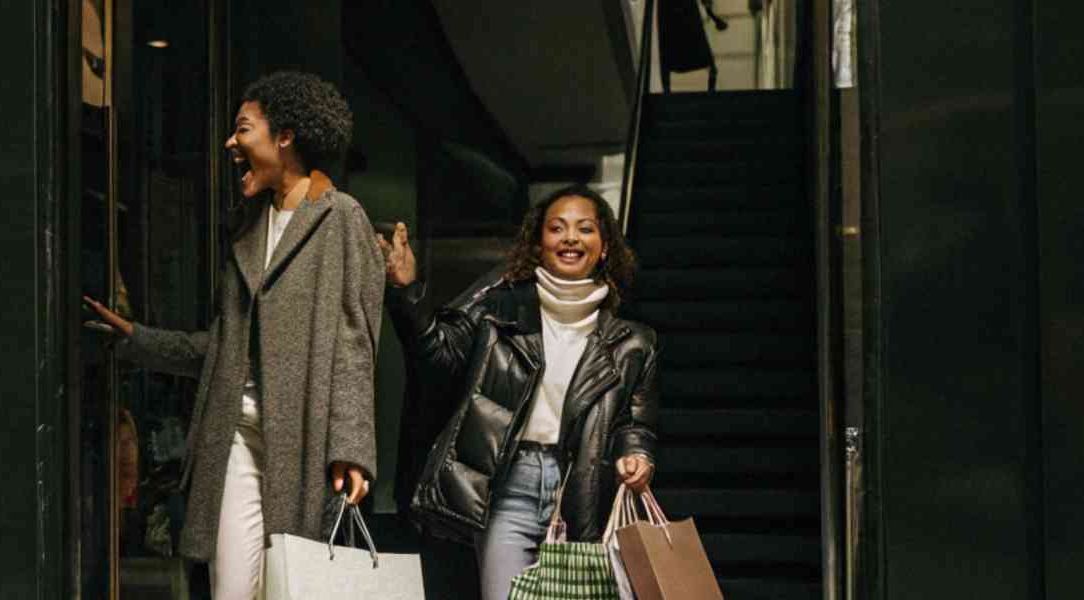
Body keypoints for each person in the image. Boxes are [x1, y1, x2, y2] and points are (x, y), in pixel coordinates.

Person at [83, 70, 383, 600]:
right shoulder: (245, 226)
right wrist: (138, 338)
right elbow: (222, 348)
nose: (231, 143)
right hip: (235, 437)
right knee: (231, 589)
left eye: (243, 129)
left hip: (303, 442)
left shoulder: (341, 219)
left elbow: (355, 341)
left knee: (290, 588)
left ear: (284, 137)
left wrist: (351, 446)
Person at [379, 185, 659, 599]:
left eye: (584, 229)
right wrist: (406, 290)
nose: (570, 238)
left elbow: (634, 423)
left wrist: (638, 454)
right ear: (539, 243)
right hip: (510, 486)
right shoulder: (498, 307)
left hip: (580, 490)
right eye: (557, 228)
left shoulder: (634, 342)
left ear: (603, 247)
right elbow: (437, 353)